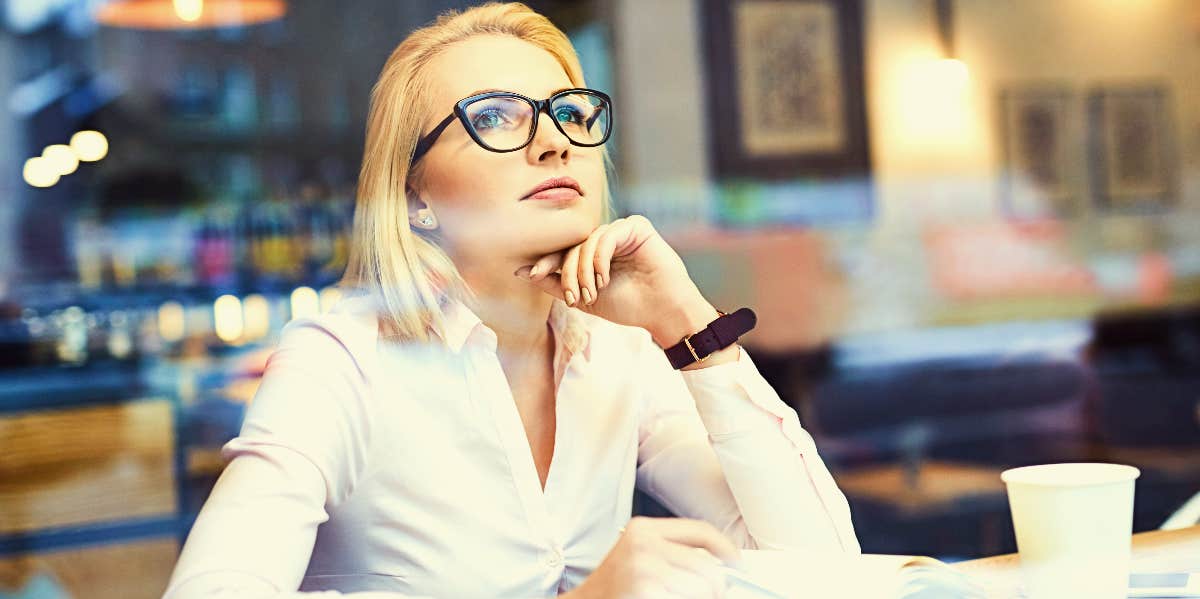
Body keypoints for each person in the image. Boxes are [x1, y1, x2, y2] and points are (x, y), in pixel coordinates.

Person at [161, 3, 859, 598]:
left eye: (570, 113)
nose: (556, 141)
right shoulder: (343, 359)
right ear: (415, 197)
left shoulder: (622, 352)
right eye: (494, 117)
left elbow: (826, 572)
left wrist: (688, 326)